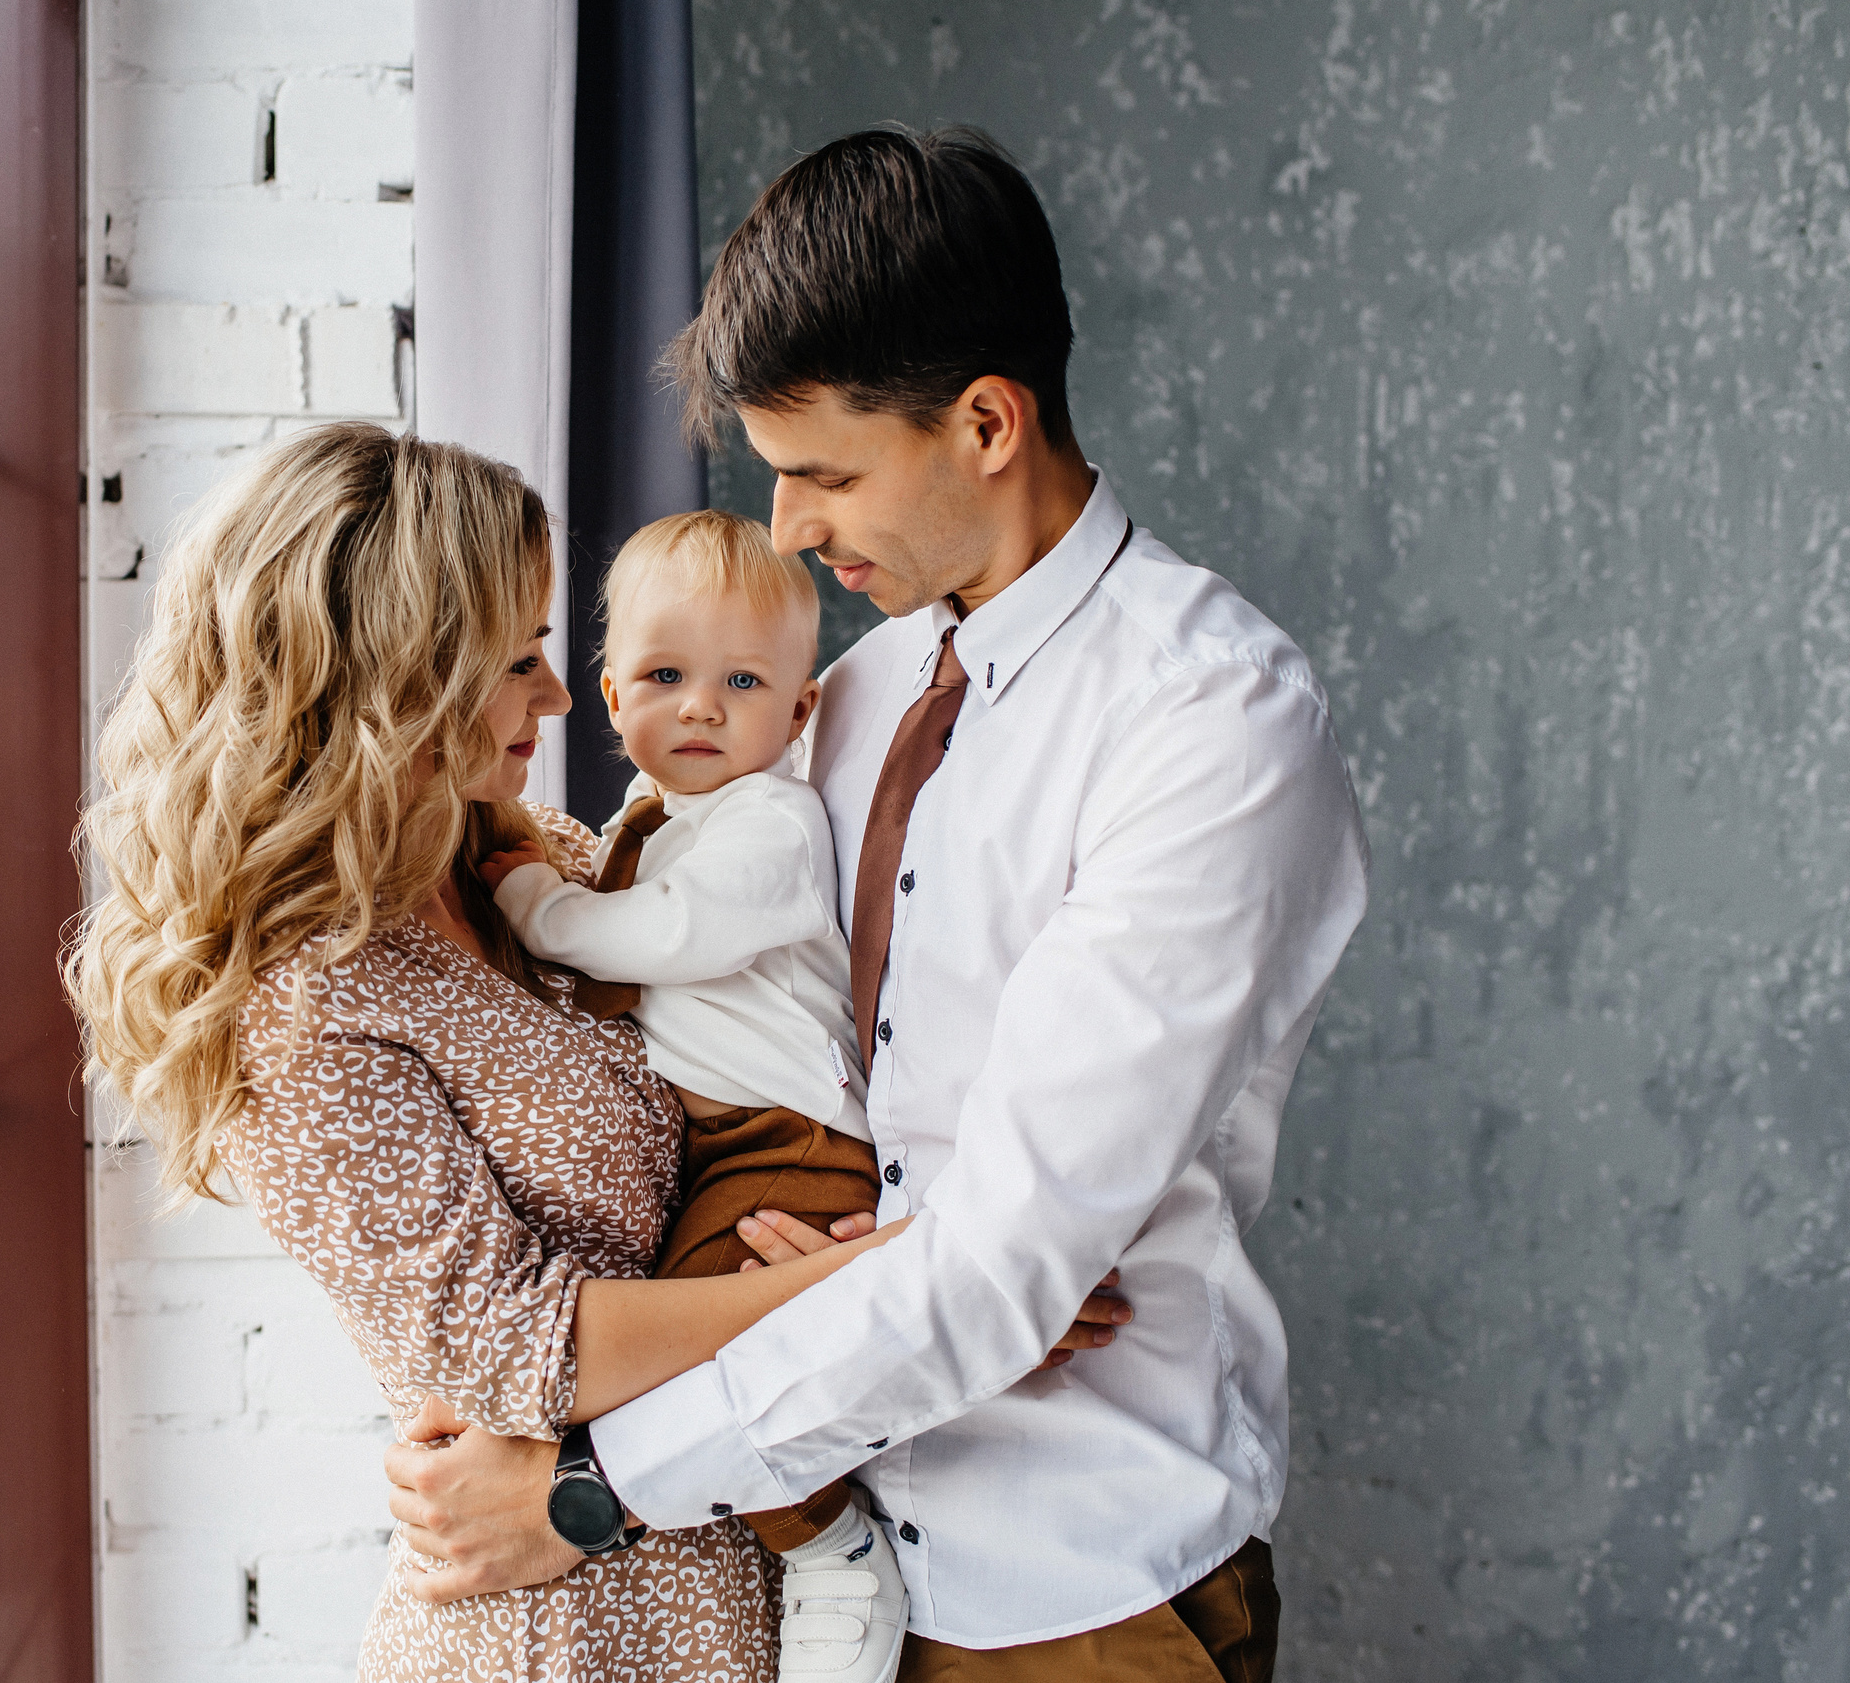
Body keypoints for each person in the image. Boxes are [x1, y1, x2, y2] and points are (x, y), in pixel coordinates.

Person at [385, 127, 1370, 1683]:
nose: (785, 529)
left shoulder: (1211, 723)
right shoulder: (843, 693)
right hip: (794, 1577)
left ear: (986, 421)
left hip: (1072, 1586)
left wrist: (590, 1490)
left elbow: (1001, 1267)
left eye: (822, 473)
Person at [66, 423, 1126, 1683]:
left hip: (721, 1554)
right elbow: (516, 1350)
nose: (565, 697)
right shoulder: (306, 1005)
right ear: (397, 681)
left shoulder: (547, 858)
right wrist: (916, 1288)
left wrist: (921, 1292)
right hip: (566, 1633)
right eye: (516, 661)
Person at [482, 509, 908, 1679]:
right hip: (724, 1139)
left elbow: (659, 936)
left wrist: (530, 900)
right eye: (666, 675)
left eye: (743, 680)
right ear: (612, 694)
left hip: (788, 1138)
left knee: (698, 1357)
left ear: (801, 709)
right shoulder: (648, 821)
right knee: (691, 1341)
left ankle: (828, 1544)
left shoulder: (770, 823)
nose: (703, 707)